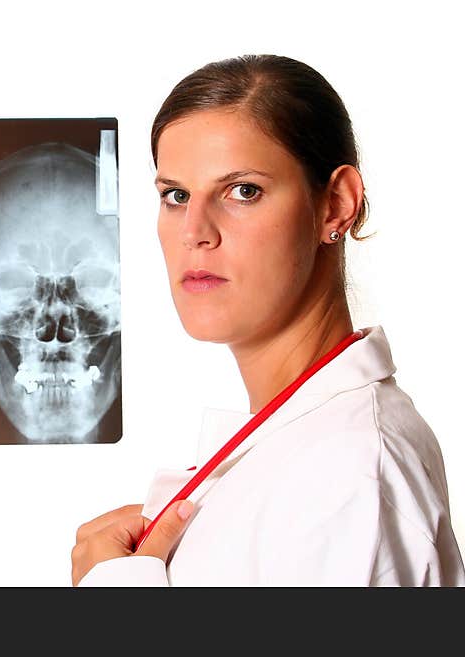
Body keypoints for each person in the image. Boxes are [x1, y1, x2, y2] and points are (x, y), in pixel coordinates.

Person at [71, 54, 465, 586]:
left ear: (336, 205)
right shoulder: (303, 446)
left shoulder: (351, 477)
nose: (195, 231)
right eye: (176, 195)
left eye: (243, 191)